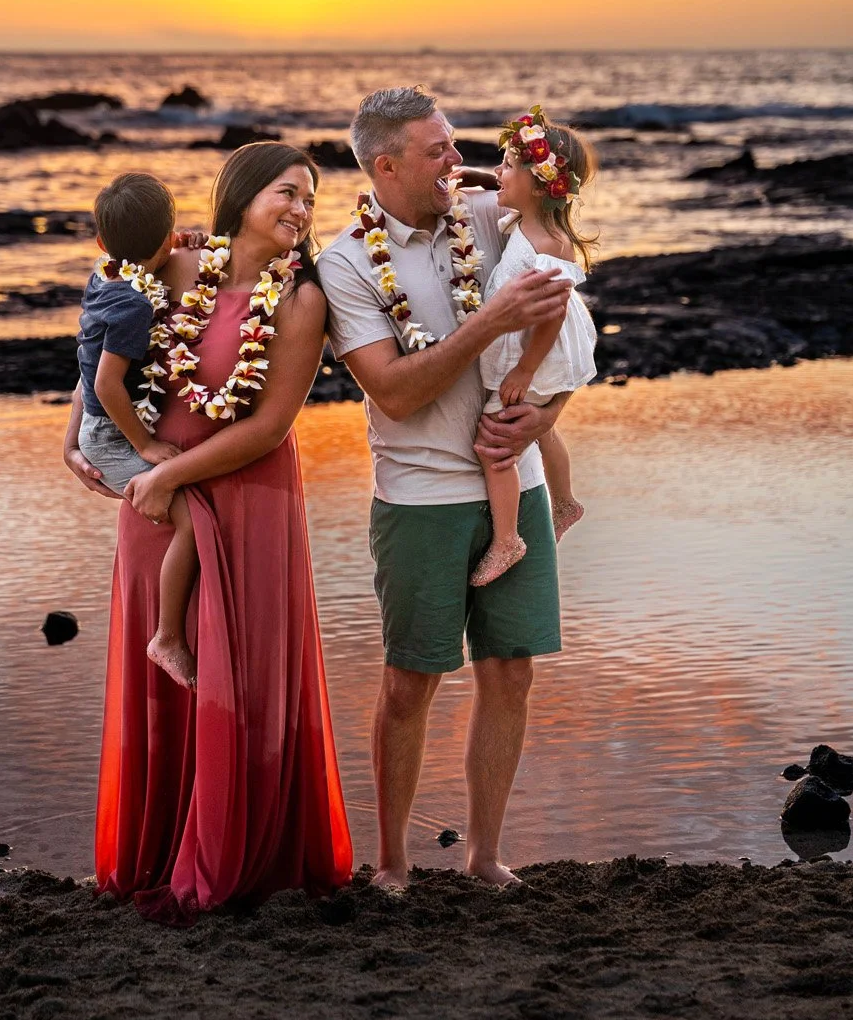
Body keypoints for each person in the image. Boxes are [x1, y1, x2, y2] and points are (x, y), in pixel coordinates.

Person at [64, 142, 353, 922]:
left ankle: (234, 854)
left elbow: (269, 427)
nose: (300, 210)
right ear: (243, 194)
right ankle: (156, 849)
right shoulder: (179, 268)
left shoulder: (299, 300)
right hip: (157, 503)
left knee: (240, 674)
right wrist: (74, 437)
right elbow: (103, 344)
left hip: (245, 496)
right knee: (165, 676)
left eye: (309, 200)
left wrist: (169, 475)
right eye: (287, 193)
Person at [316, 86, 573, 891]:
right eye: (438, 152)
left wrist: (544, 417)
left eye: (457, 145)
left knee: (512, 671)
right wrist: (487, 323)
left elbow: (567, 329)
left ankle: (486, 856)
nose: (457, 164)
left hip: (517, 486)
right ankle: (392, 863)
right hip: (419, 499)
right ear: (386, 165)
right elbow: (393, 392)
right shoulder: (346, 262)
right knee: (409, 682)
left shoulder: (497, 219)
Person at [76, 172, 199, 688]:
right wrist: (145, 445)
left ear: (103, 243)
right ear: (169, 240)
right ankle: (167, 636)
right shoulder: (135, 305)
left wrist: (188, 242)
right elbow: (106, 385)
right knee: (191, 519)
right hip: (109, 433)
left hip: (95, 426)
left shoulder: (103, 278)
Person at [470, 106, 598, 587]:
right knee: (539, 427)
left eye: (506, 164)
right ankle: (564, 500)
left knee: (494, 443)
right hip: (535, 354)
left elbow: (552, 314)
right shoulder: (528, 221)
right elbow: (510, 190)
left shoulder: (548, 244)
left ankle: (508, 539)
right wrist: (489, 177)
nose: (498, 172)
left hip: (537, 355)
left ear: (542, 183)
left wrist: (523, 370)